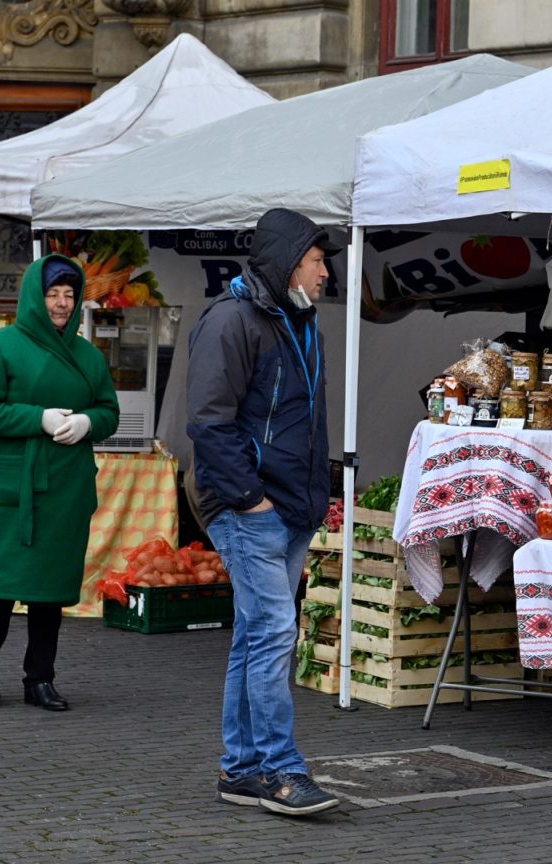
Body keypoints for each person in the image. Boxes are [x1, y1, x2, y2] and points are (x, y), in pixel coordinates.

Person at [186, 208, 340, 817]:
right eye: (317, 260)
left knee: (256, 635)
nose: (327, 272)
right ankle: (280, 769)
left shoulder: (303, 324)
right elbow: (208, 423)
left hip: (289, 507)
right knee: (275, 630)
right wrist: (251, 498)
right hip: (247, 506)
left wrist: (312, 497)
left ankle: (241, 768)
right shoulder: (231, 321)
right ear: (286, 263)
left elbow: (309, 424)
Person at [0, 255, 120, 711]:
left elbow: (108, 410)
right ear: (35, 295)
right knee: (4, 578)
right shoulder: (1, 345)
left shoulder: (87, 353)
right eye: (53, 294)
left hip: (66, 485)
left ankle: (39, 678)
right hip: (14, 484)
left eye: (70, 294)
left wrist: (89, 422)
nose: (62, 303)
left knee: (50, 584)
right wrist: (39, 418)